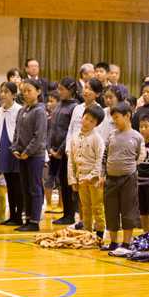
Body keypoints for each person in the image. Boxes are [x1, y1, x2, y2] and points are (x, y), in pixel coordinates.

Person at [99, 102, 144, 255]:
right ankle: (113, 242)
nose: (115, 121)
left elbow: (140, 157)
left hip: (129, 180)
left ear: (128, 116)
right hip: (110, 179)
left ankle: (126, 243)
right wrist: (101, 175)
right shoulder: (112, 135)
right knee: (110, 210)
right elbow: (104, 157)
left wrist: (129, 168)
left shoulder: (137, 137)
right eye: (113, 118)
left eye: (117, 117)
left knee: (128, 210)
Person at [12, 79, 48, 232]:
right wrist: (15, 147)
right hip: (22, 156)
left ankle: (35, 221)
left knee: (35, 188)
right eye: (24, 91)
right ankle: (27, 220)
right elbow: (16, 132)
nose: (26, 94)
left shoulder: (39, 111)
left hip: (34, 156)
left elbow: (39, 136)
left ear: (38, 92)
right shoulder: (22, 110)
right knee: (25, 188)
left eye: (29, 91)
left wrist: (28, 152)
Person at [68, 105, 106, 239]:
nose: (87, 122)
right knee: (85, 208)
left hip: (94, 181)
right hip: (80, 179)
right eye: (86, 118)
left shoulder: (97, 139)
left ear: (96, 124)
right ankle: (87, 233)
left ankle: (100, 234)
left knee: (97, 207)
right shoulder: (74, 137)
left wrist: (90, 177)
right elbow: (71, 160)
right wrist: (73, 179)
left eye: (92, 121)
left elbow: (99, 162)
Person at [51, 78, 81, 226]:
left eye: (62, 89)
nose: (59, 92)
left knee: (69, 184)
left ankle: (70, 214)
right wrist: (50, 147)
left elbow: (70, 131)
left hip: (67, 153)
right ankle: (65, 213)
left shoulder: (75, 107)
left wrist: (62, 150)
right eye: (58, 89)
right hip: (55, 152)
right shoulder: (57, 106)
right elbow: (52, 129)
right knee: (61, 183)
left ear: (70, 91)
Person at [0, 82, 24, 226]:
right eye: (1, 91)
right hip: (3, 147)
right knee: (8, 183)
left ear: (14, 95)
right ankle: (12, 215)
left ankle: (19, 215)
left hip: (15, 148)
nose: (2, 94)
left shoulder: (19, 109)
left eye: (6, 91)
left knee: (17, 184)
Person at [44, 89, 62, 213]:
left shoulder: (60, 117)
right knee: (48, 179)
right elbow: (46, 134)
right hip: (49, 152)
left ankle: (61, 204)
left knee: (60, 180)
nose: (50, 104)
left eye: (52, 101)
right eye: (49, 101)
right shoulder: (48, 118)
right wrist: (48, 148)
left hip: (60, 151)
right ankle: (49, 204)